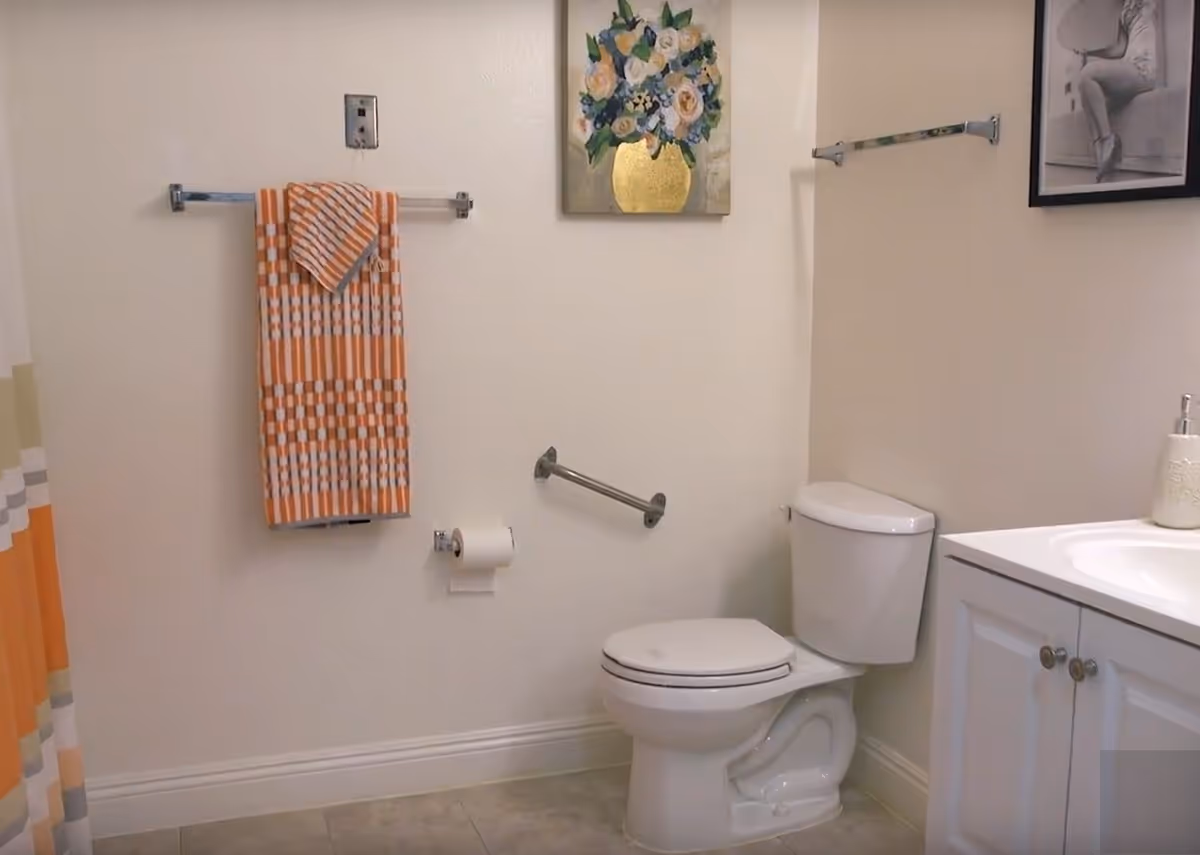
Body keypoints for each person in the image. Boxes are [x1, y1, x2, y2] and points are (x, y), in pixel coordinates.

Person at [1074, 0, 1159, 182]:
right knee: (1085, 85)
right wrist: (1088, 52)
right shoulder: (1124, 10)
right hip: (1128, 68)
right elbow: (1119, 49)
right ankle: (1101, 151)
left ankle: (1108, 141)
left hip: (1143, 68)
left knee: (1088, 74)